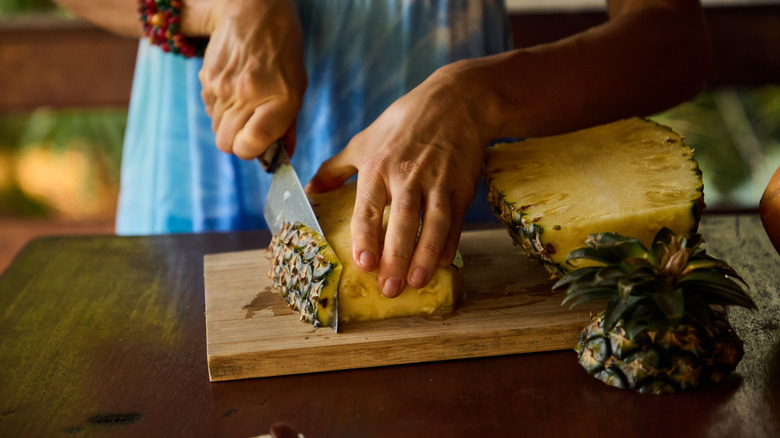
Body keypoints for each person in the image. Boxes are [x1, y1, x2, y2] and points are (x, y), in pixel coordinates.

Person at [54, 0, 711, 299]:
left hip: (451, 208)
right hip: (186, 193)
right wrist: (220, 7)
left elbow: (673, 40)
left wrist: (475, 96)